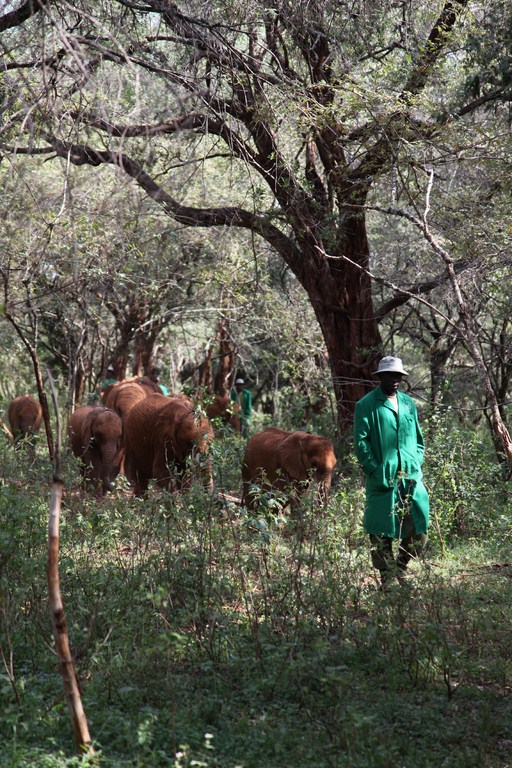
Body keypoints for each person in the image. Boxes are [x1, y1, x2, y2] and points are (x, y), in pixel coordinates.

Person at [353, 356, 429, 590]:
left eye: (398, 376)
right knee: (380, 529)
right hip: (382, 478)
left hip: (410, 476)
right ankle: (386, 579)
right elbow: (361, 442)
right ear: (380, 377)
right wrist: (374, 469)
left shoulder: (407, 404)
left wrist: (417, 461)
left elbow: (418, 439)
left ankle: (401, 568)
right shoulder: (366, 405)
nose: (395, 380)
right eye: (390, 375)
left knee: (419, 524)